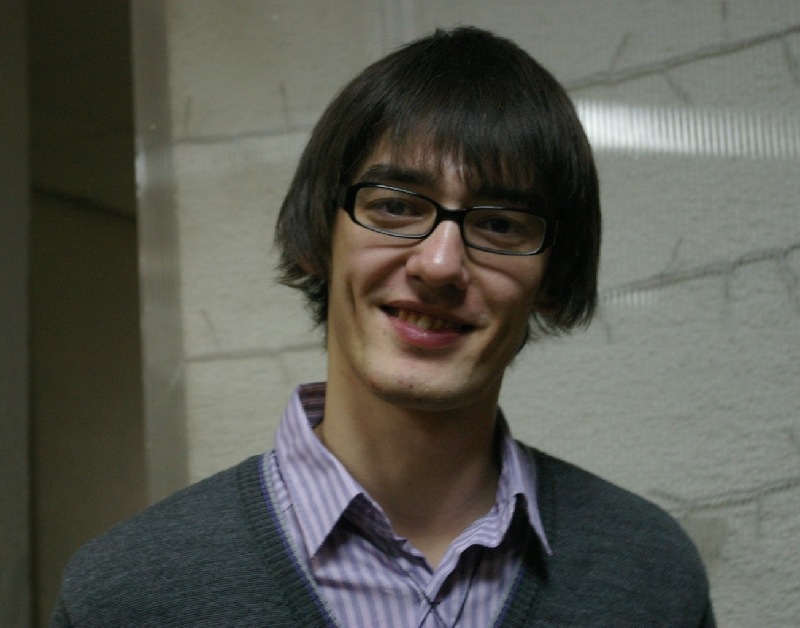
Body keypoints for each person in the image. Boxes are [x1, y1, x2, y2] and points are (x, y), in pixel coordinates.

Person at [53, 27, 714, 626]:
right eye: (396, 207)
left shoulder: (650, 576)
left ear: (550, 278)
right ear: (319, 235)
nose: (440, 264)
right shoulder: (127, 596)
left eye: (499, 224)